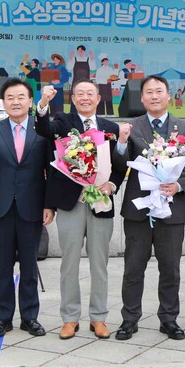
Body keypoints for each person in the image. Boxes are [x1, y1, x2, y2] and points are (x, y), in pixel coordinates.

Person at [34, 80, 124, 340]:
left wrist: (112, 185)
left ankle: (99, 317)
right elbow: (43, 129)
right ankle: (70, 318)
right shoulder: (63, 121)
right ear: (73, 99)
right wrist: (43, 104)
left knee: (100, 264)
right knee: (69, 263)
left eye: (90, 94)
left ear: (98, 99)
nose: (85, 98)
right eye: (80, 94)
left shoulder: (110, 128)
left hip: (101, 203)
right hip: (70, 202)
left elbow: (119, 165)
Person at [114, 75, 185, 342]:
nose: (154, 96)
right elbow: (120, 165)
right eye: (149, 92)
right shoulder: (131, 127)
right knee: (133, 268)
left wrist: (179, 185)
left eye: (159, 91)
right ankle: (130, 319)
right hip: (138, 209)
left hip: (172, 208)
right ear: (141, 98)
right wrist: (121, 143)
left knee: (171, 268)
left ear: (168, 95)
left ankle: (169, 319)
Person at [0, 77, 53, 338]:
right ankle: (3, 318)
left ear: (30, 101)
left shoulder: (42, 129)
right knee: (4, 266)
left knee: (29, 266)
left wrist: (49, 205)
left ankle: (30, 318)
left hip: (32, 205)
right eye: (10, 98)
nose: (15, 102)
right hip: (2, 206)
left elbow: (50, 168)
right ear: (3, 102)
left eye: (21, 97)